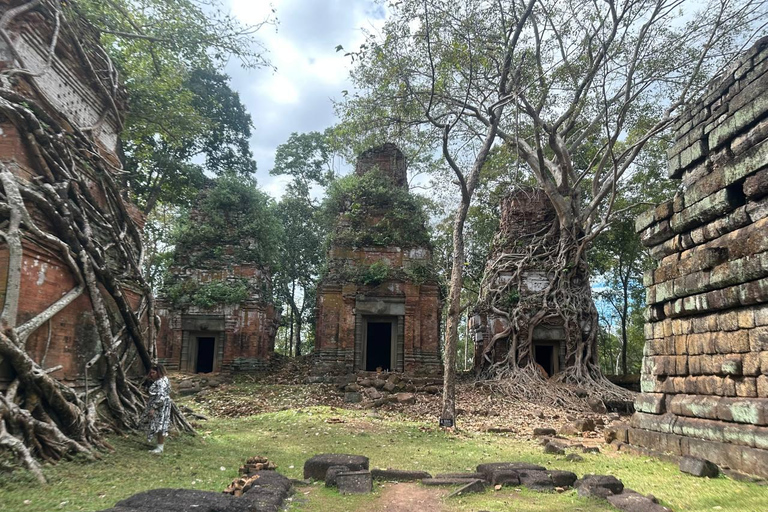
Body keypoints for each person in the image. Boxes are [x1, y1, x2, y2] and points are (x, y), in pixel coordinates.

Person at [141, 363, 172, 454]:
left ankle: (160, 447)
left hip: (160, 407)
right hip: (162, 405)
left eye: (153, 372)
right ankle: (159, 445)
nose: (151, 375)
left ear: (158, 372)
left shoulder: (161, 382)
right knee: (159, 425)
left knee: (160, 426)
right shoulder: (164, 380)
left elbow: (161, 397)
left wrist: (153, 408)